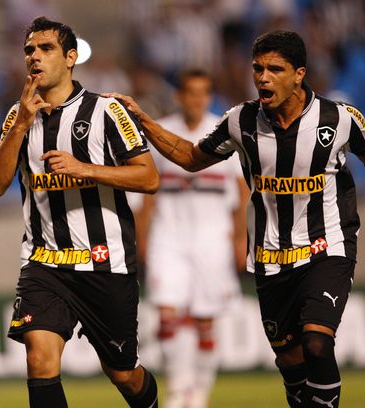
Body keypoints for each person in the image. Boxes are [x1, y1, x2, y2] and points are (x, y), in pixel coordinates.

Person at [106, 30, 365, 408]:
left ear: (299, 74)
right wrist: (143, 120)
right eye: (258, 68)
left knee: (317, 342)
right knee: (290, 361)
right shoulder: (240, 121)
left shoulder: (338, 118)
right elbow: (191, 157)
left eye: (275, 69)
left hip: (327, 247)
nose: (263, 77)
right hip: (271, 257)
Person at [0, 17, 161, 408]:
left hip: (104, 262)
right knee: (39, 358)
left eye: (46, 48)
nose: (34, 56)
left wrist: (85, 169)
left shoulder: (107, 111)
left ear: (71, 57)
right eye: (29, 49)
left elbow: (149, 178)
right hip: (45, 262)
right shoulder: (17, 116)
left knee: (123, 374)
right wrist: (21, 125)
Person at [133, 69, 249, 408]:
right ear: (179, 96)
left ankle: (199, 391)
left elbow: (242, 193)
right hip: (168, 236)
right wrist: (143, 237)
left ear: (209, 97)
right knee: (167, 314)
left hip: (213, 238)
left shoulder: (225, 133)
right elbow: (147, 191)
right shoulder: (162, 133)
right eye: (191, 92)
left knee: (205, 319)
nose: (197, 99)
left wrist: (240, 238)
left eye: (203, 93)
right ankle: (178, 389)